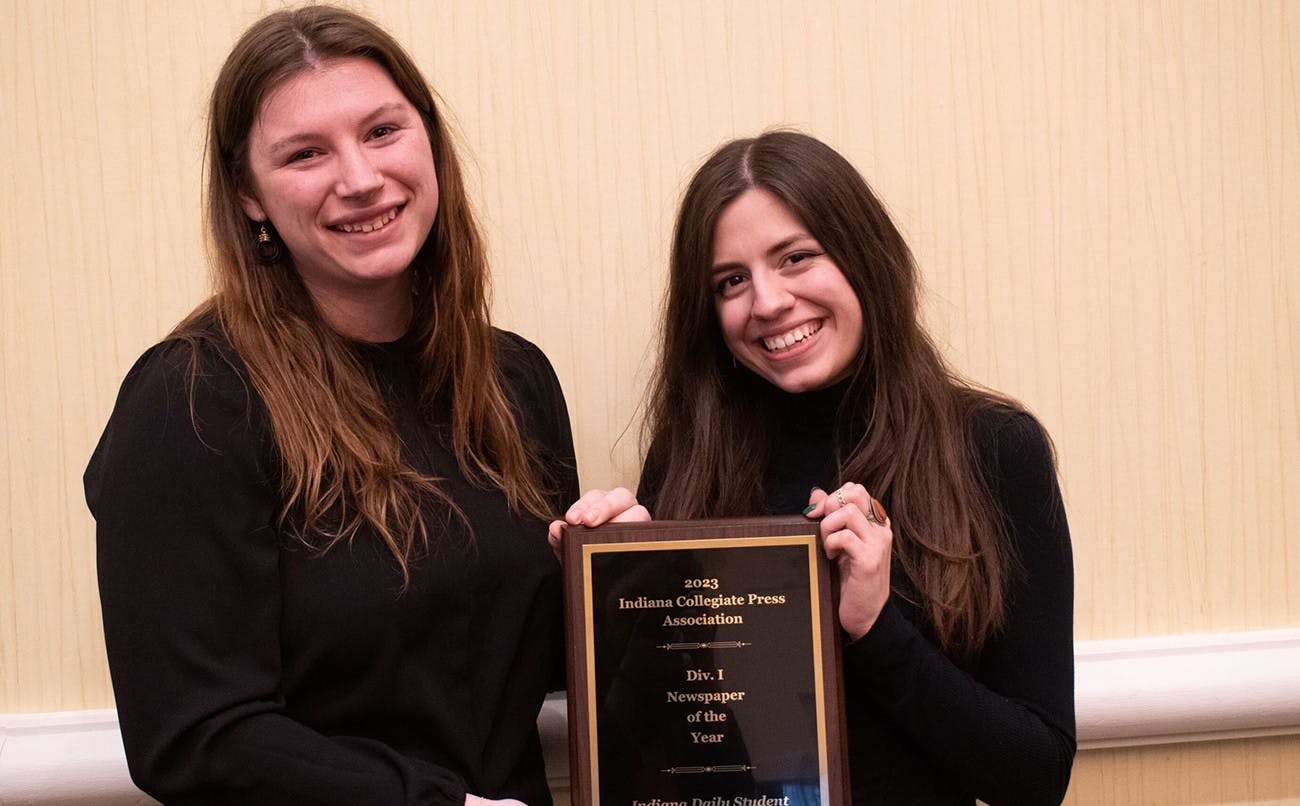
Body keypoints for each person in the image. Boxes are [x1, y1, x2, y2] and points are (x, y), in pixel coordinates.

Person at [85, 6, 578, 805]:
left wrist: (615, 574)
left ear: (430, 142)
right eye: (306, 154)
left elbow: (518, 660)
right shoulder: (192, 406)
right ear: (248, 194)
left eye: (382, 131)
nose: (358, 178)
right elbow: (195, 733)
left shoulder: (512, 378)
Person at [551, 130, 1075, 804]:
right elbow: (655, 752)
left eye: (795, 258)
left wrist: (876, 628)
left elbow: (1036, 776)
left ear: (864, 256)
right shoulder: (690, 459)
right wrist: (625, 593)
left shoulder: (995, 450)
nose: (767, 302)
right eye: (731, 281)